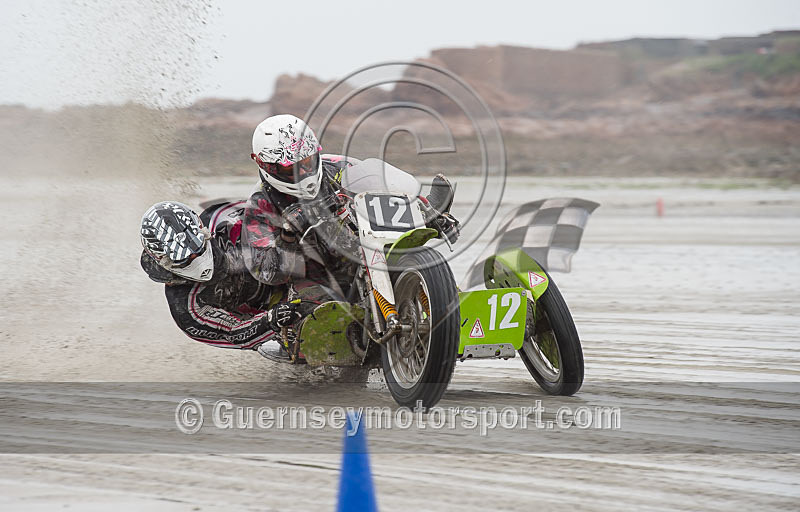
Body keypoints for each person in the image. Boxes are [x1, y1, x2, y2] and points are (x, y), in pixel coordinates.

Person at [242, 114, 460, 312]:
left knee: (422, 268)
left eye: (307, 162)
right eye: (291, 168)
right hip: (314, 278)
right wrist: (288, 235)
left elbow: (384, 186)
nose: (303, 172)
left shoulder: (337, 166)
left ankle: (446, 308)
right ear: (265, 164)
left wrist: (428, 212)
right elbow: (267, 272)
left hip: (363, 249)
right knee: (313, 312)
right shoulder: (261, 205)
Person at [139, 200, 301, 350]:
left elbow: (270, 208)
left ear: (200, 228)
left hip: (290, 261)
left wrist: (290, 224)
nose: (198, 262)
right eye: (184, 260)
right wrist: (271, 320)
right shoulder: (186, 310)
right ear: (162, 259)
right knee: (297, 342)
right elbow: (233, 333)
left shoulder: (222, 218)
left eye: (198, 248)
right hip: (270, 316)